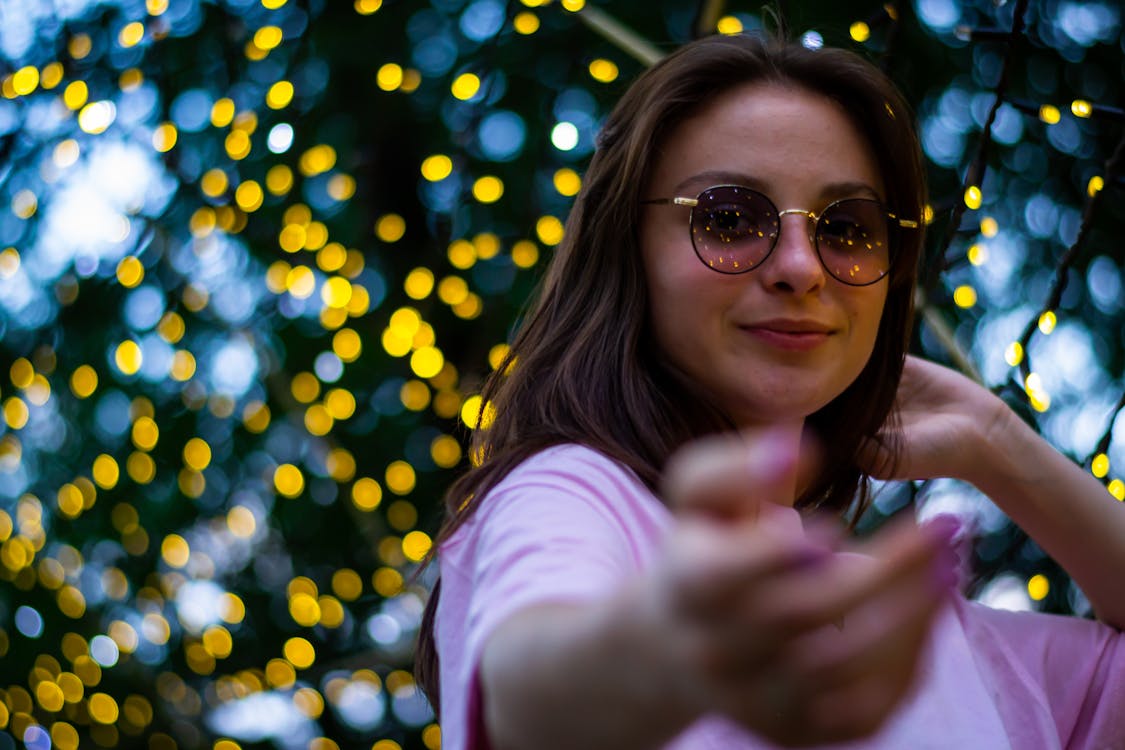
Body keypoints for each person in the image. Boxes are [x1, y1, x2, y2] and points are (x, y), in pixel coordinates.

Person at [414, 33, 1125, 749]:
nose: (799, 267)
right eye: (727, 218)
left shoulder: (923, 628)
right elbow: (531, 694)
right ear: (627, 250)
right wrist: (664, 659)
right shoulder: (572, 492)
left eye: (846, 229)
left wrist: (998, 444)